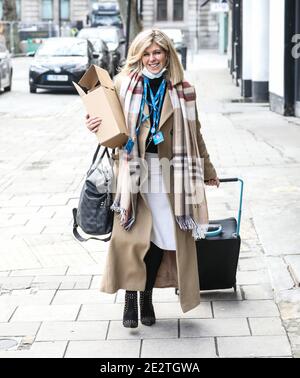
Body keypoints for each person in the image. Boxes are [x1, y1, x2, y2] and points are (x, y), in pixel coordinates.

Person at [86, 29, 220, 328]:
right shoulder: (123, 85)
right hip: (132, 172)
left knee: (160, 237)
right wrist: (94, 125)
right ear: (138, 56)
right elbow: (108, 128)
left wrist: (208, 171)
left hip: (170, 174)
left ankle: (146, 297)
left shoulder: (184, 90)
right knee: (132, 237)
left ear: (168, 54)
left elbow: (195, 133)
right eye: (146, 54)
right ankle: (131, 299)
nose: (152, 59)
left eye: (157, 53)